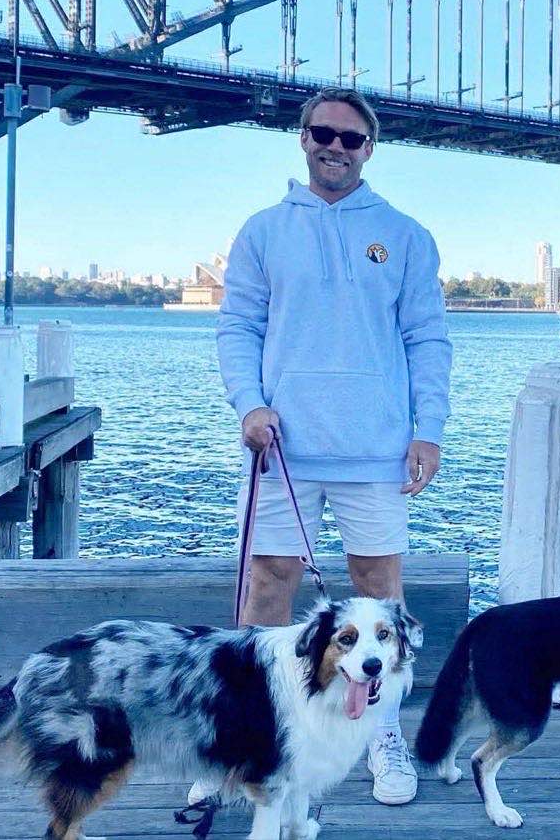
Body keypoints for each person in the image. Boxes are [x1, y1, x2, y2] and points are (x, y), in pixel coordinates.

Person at [216, 86, 452, 806]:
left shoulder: (404, 233)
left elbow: (426, 337)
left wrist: (428, 428)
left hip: (375, 448)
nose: (335, 147)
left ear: (369, 148)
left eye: (351, 138)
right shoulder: (262, 230)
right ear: (302, 136)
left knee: (380, 592)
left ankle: (381, 734)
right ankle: (244, 738)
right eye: (323, 133)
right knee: (267, 589)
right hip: (282, 448)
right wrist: (249, 404)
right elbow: (238, 329)